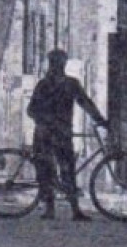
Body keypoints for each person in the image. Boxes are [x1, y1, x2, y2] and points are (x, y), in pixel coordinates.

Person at [27, 49, 107, 220]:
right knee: (52, 170)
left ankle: (72, 210)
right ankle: (56, 210)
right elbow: (31, 110)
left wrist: (99, 119)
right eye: (55, 63)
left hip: (59, 133)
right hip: (48, 133)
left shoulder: (68, 84)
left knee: (66, 170)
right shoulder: (48, 85)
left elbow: (85, 102)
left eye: (59, 63)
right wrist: (46, 120)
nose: (56, 66)